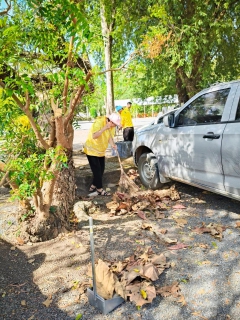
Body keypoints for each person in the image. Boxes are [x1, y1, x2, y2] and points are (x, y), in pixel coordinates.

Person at [83, 113, 120, 196]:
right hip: (91, 149)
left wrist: (113, 145)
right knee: (97, 170)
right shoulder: (99, 122)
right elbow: (94, 136)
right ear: (110, 121)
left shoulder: (112, 127)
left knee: (101, 170)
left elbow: (109, 137)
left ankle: (94, 184)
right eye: (115, 124)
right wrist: (105, 128)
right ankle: (99, 189)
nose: (115, 126)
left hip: (100, 150)